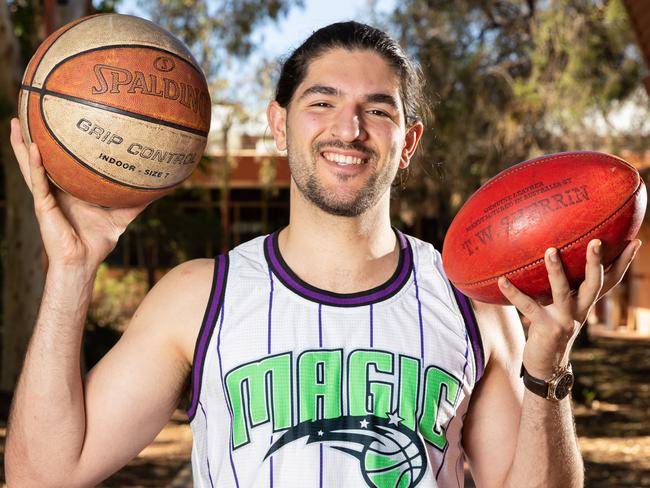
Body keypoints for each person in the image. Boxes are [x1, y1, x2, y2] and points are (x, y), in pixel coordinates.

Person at [5, 21, 641, 488]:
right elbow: (42, 476)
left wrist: (548, 366)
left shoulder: (474, 306)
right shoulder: (198, 296)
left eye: (377, 109)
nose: (349, 129)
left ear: (409, 141)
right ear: (279, 125)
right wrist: (74, 266)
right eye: (322, 102)